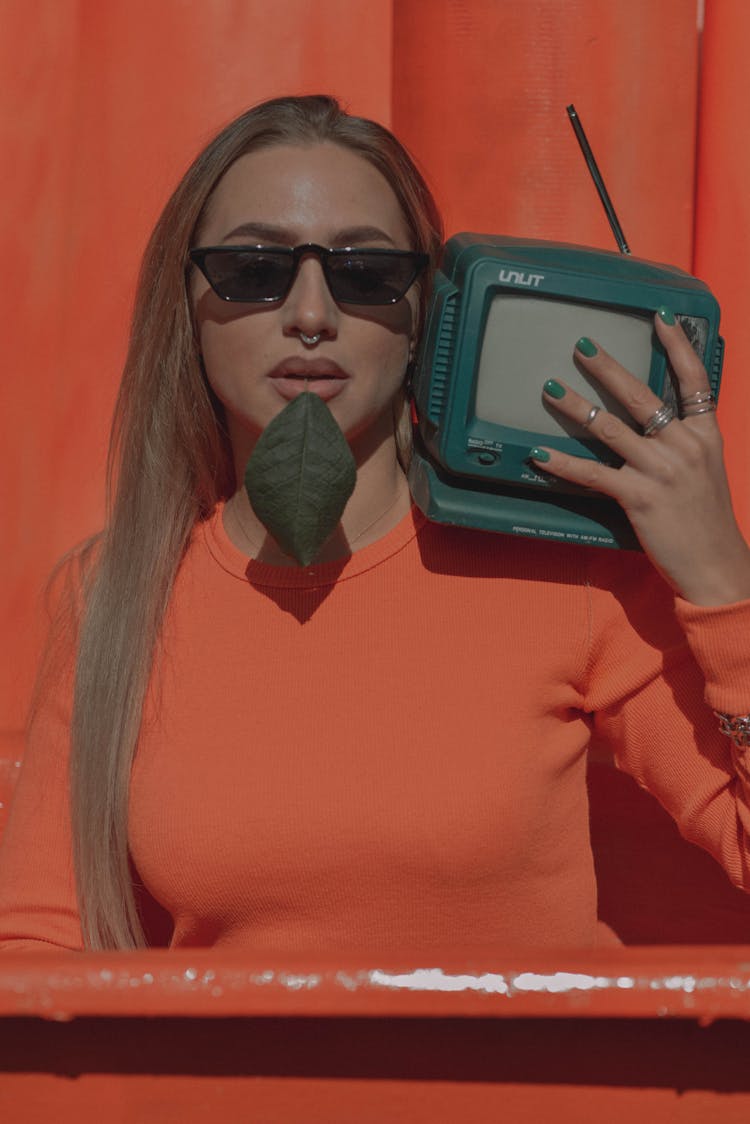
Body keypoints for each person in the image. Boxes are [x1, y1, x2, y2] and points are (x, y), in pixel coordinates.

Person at [1, 94, 749, 953]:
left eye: (364, 274)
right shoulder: (115, 598)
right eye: (253, 268)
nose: (311, 314)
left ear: (426, 315)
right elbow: (37, 943)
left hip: (522, 1088)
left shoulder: (568, 575)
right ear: (188, 308)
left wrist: (724, 579)